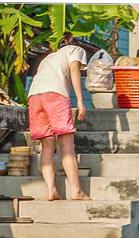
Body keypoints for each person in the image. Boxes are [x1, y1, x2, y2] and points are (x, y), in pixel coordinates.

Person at [27, 32, 90, 201]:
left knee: (47, 146)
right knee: (66, 144)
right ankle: (76, 190)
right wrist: (80, 100)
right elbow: (75, 71)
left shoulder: (48, 58)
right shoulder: (75, 50)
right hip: (55, 95)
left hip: (34, 96)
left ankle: (51, 190)